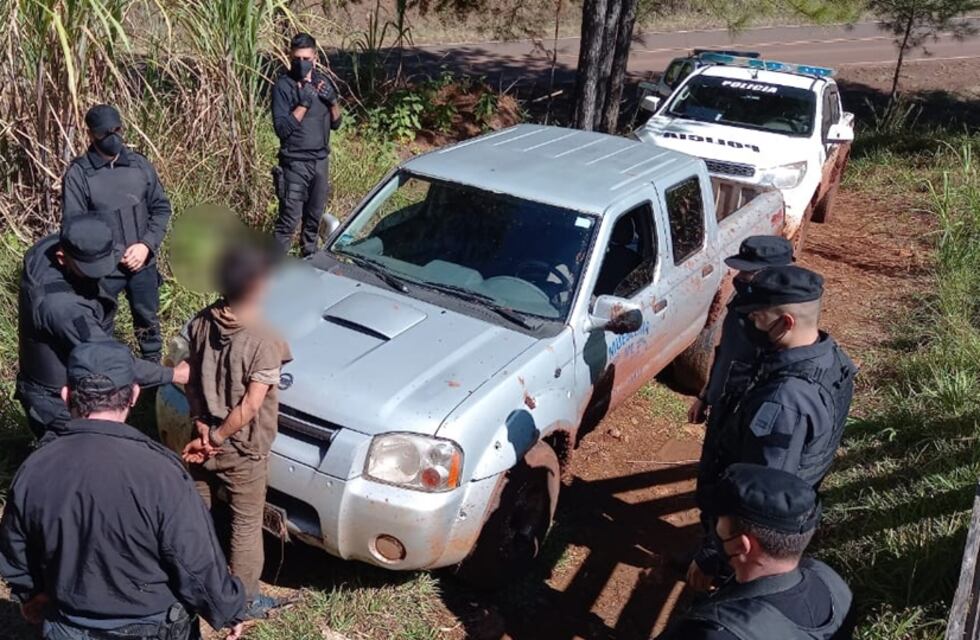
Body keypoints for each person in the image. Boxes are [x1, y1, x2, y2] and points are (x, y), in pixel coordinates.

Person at [0, 341, 246, 640]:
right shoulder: (162, 472)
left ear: (66, 397)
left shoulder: (34, 469)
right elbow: (193, 558)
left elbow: (16, 549)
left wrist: (31, 594)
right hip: (152, 627)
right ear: (133, 395)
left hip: (68, 623)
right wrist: (227, 608)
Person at [689, 265, 857, 590]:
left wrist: (713, 556)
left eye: (758, 317)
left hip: (751, 551)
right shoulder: (831, 359)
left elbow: (761, 498)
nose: (751, 322)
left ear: (786, 323)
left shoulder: (785, 403)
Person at [181, 244, 292, 618]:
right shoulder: (264, 337)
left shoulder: (201, 321)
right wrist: (216, 438)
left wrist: (200, 424)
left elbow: (190, 379)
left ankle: (192, 583)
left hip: (200, 441)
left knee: (198, 514)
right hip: (240, 448)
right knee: (245, 524)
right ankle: (243, 603)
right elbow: (249, 406)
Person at [17, 215, 189, 439]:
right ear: (62, 258)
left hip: (70, 374)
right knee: (76, 459)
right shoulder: (63, 309)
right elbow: (108, 360)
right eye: (91, 270)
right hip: (57, 400)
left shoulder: (53, 246)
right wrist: (173, 374)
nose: (101, 274)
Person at [658, 464, 854, 639]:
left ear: (742, 546)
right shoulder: (833, 584)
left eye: (719, 521)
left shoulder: (710, 633)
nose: (715, 526)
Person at [62, 104, 173, 362]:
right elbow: (75, 228)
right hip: (101, 270)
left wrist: (146, 245)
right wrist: (115, 253)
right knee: (100, 327)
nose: (113, 138)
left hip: (142, 264)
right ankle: (107, 378)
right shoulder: (79, 175)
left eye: (117, 130)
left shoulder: (139, 165)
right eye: (105, 134)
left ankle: (152, 379)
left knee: (148, 323)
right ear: (91, 135)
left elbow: (160, 208)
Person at [688, 235, 795, 425]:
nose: (739, 277)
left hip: (749, 418)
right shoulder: (741, 302)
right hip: (723, 409)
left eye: (748, 271)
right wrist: (706, 396)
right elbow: (726, 354)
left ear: (773, 274)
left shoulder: (783, 323)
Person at [271, 32, 343, 257]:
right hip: (294, 164)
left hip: (320, 162)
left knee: (313, 219)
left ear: (316, 58)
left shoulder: (324, 83)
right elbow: (282, 129)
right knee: (289, 221)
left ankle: (309, 262)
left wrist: (332, 102)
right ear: (290, 58)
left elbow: (337, 123)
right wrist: (304, 103)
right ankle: (272, 272)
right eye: (297, 59)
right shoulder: (283, 86)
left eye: (306, 59)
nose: (301, 64)